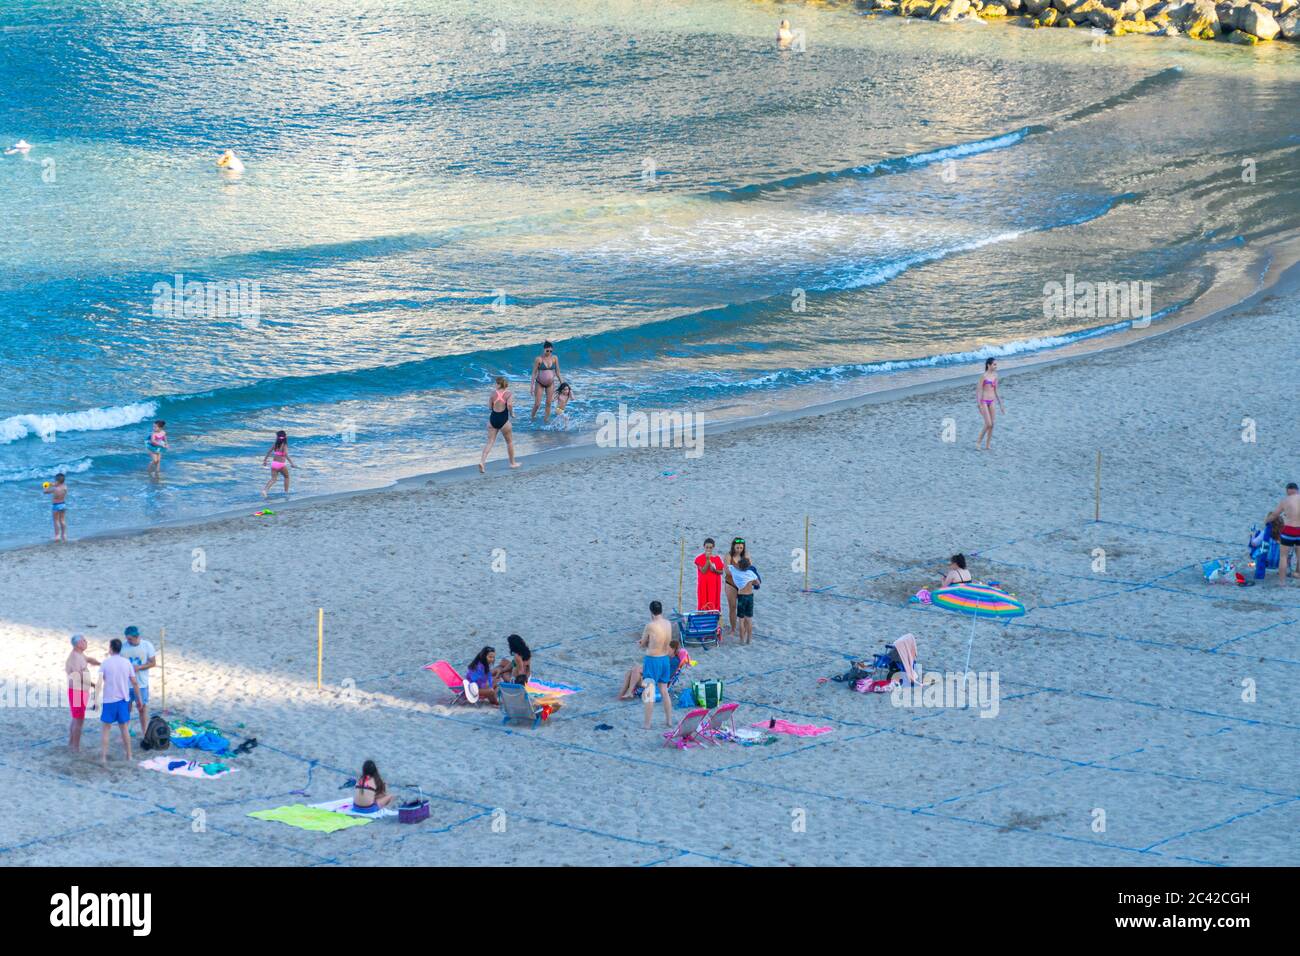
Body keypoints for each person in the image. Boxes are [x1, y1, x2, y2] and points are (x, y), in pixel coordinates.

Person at [98, 638, 140, 765]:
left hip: (109, 700)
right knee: (124, 729)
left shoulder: (105, 663)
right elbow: (134, 682)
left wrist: (95, 699)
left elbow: (100, 681)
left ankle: (103, 757)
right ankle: (129, 755)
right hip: (122, 700)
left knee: (106, 729)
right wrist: (139, 699)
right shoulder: (127, 663)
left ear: (111, 648)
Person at [639, 601, 675, 729]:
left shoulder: (650, 625)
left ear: (651, 613)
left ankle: (647, 724)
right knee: (664, 691)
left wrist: (643, 642)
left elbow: (643, 643)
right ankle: (669, 721)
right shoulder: (668, 623)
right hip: (665, 660)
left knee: (649, 692)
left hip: (652, 660)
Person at [618, 638, 687, 699]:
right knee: (630, 672)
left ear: (673, 649)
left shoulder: (674, 661)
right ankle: (623, 693)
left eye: (668, 648)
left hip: (658, 683)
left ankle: (629, 692)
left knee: (636, 670)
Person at [66, 635, 100, 753]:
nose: (86, 642)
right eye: (84, 640)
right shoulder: (75, 657)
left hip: (80, 691)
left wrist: (100, 663)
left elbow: (88, 659)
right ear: (78, 644)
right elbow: (78, 676)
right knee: (79, 720)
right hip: (77, 691)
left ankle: (71, 743)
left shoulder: (80, 654)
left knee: (76, 719)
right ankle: (75, 747)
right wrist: (93, 684)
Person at [479, 376, 520, 472]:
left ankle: (482, 462)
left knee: (490, 442)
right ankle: (512, 463)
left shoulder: (492, 394)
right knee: (509, 442)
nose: (495, 385)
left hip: (493, 419)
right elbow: (509, 405)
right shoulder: (509, 394)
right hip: (503, 420)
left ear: (499, 384)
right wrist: (512, 414)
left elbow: (490, 407)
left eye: (496, 383)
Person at [121, 626, 157, 736]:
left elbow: (153, 663)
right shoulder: (123, 647)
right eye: (127, 638)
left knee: (142, 708)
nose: (128, 641)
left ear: (137, 637)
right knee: (126, 709)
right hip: (126, 685)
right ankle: (125, 733)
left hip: (141, 684)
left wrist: (139, 667)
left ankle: (145, 732)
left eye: (130, 639)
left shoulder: (147, 646)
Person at [1265, 483, 1300, 585]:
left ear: (1287, 491)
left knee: (1283, 556)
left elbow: (1275, 515)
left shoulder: (1285, 501)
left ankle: (1282, 582)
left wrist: (1267, 521)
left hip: (1289, 530)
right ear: (1297, 490)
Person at [728, 558, 759, 645]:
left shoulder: (736, 573)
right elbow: (757, 583)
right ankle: (749, 640)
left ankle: (742, 640)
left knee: (741, 620)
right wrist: (752, 582)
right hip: (750, 596)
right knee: (749, 619)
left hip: (742, 596)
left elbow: (731, 566)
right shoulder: (751, 573)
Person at [976, 358, 1005, 451]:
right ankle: (978, 442)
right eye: (994, 364)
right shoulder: (983, 376)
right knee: (988, 423)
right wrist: (979, 404)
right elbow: (978, 390)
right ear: (988, 365)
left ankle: (988, 445)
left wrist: (1001, 404)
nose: (996, 366)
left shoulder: (996, 376)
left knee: (992, 424)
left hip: (992, 401)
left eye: (996, 364)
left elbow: (996, 390)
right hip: (984, 401)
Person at [530, 341, 562, 422]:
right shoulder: (539, 359)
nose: (549, 352)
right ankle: (532, 418)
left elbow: (558, 372)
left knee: (548, 403)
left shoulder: (555, 358)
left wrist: (562, 383)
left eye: (551, 351)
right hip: (539, 383)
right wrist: (532, 386)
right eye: (547, 351)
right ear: (544, 350)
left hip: (550, 384)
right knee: (537, 404)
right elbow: (534, 373)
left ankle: (546, 420)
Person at [694, 538, 725, 612]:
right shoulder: (699, 558)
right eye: (707, 547)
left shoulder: (717, 558)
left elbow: (721, 572)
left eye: (710, 547)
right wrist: (708, 560)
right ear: (704, 547)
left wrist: (715, 570)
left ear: (713, 547)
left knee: (713, 601)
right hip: (703, 584)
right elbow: (703, 571)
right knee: (703, 601)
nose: (708, 549)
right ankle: (702, 618)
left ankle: (713, 618)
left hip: (714, 584)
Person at [724, 538, 748, 635]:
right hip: (731, 584)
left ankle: (744, 628)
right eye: (737, 547)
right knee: (732, 607)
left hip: (743, 585)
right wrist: (740, 571)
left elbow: (750, 568)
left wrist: (736, 571)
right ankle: (733, 629)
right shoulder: (728, 556)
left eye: (741, 548)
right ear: (733, 547)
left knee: (743, 608)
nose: (739, 549)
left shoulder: (746, 555)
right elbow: (727, 571)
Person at [261, 430, 295, 495]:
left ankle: (265, 490)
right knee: (286, 477)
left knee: (273, 479)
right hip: (281, 464)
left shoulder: (275, 444)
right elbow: (285, 454)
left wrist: (265, 461)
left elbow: (268, 452)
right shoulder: (284, 445)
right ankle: (286, 492)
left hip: (273, 464)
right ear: (285, 437)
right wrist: (291, 463)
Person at [42, 472, 68, 542]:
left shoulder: (54, 489)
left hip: (56, 506)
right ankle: (64, 535)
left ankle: (57, 536)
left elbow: (45, 492)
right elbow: (58, 485)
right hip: (63, 504)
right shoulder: (65, 487)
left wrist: (45, 486)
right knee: (62, 520)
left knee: (56, 521)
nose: (54, 482)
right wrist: (51, 484)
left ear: (57, 481)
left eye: (55, 481)